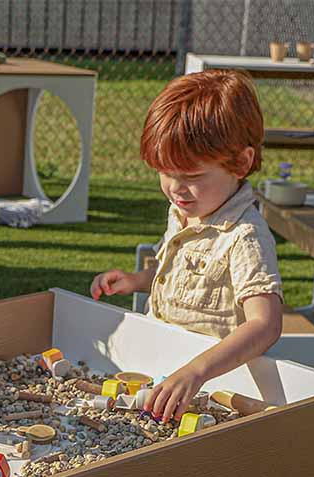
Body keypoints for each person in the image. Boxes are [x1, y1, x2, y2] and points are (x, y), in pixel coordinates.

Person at [89, 70, 283, 422]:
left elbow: (265, 325)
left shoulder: (244, 237)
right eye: (166, 173)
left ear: (241, 163)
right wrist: (138, 280)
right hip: (162, 370)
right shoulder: (184, 212)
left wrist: (195, 372)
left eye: (192, 177)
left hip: (210, 391)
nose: (176, 189)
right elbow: (186, 278)